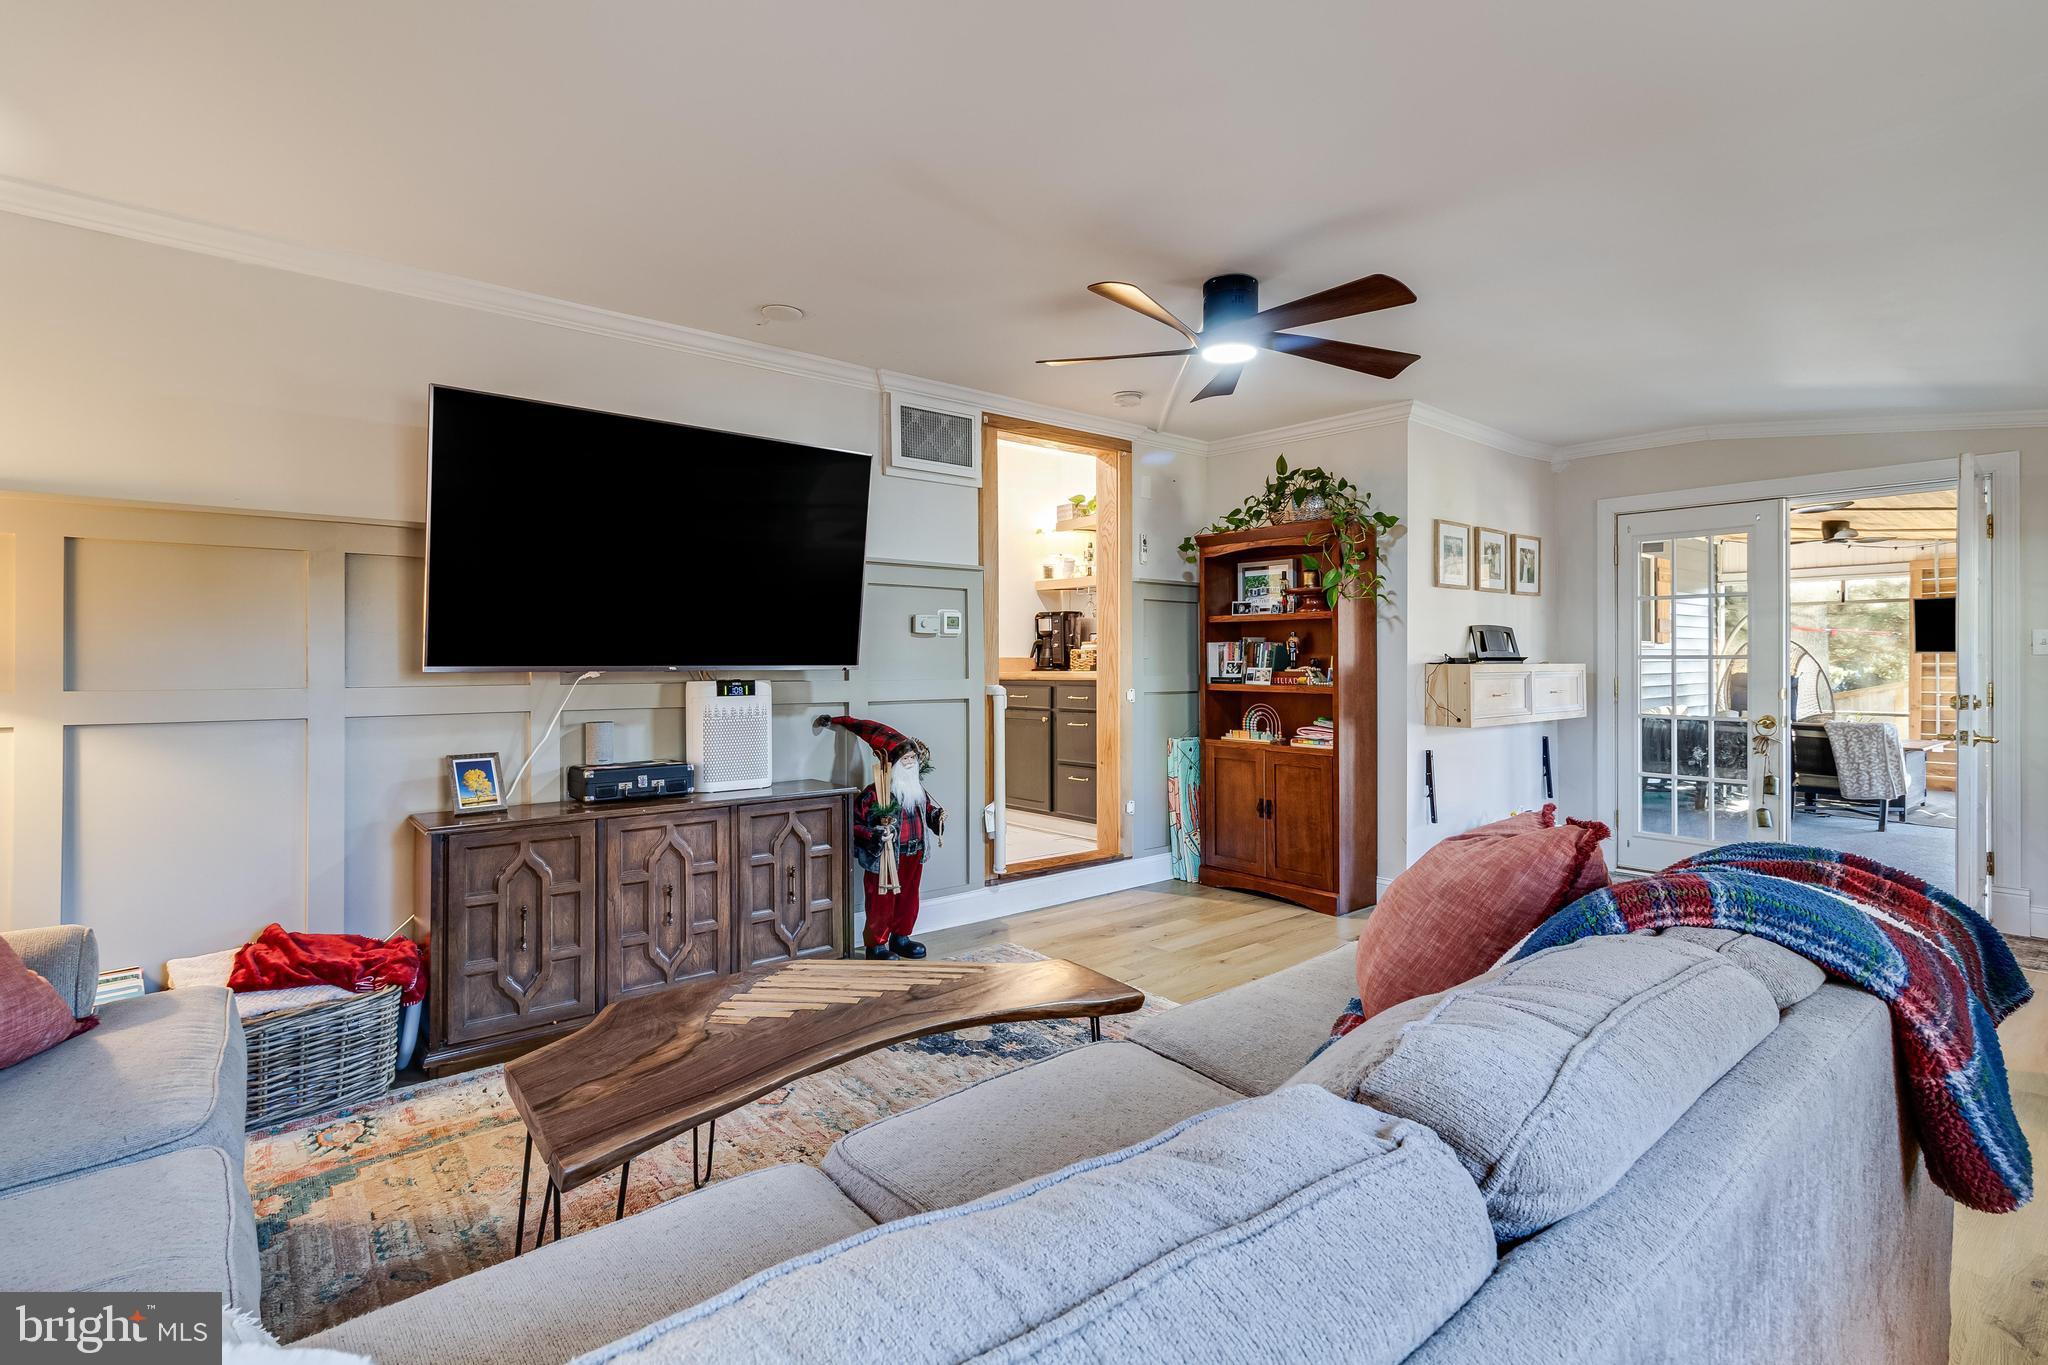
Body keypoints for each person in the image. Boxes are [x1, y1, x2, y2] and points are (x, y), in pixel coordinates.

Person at [815, 715, 946, 960]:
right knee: (881, 900)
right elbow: (854, 824)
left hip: (913, 853)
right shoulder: (874, 795)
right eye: (905, 759)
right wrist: (874, 835)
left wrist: (936, 818)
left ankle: (901, 936)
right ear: (893, 763)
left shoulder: (917, 790)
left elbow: (926, 811)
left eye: (912, 759)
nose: (910, 763)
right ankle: (876, 944)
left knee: (908, 897)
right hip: (885, 857)